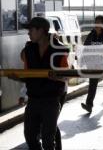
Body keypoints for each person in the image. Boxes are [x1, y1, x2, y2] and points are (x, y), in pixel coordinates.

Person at [8, 17, 69, 150]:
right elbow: (28, 75)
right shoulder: (28, 50)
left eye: (31, 30)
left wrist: (57, 77)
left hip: (51, 99)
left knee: (48, 138)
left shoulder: (59, 49)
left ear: (41, 31)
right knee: (30, 136)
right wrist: (17, 78)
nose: (28, 33)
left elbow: (66, 76)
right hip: (33, 100)